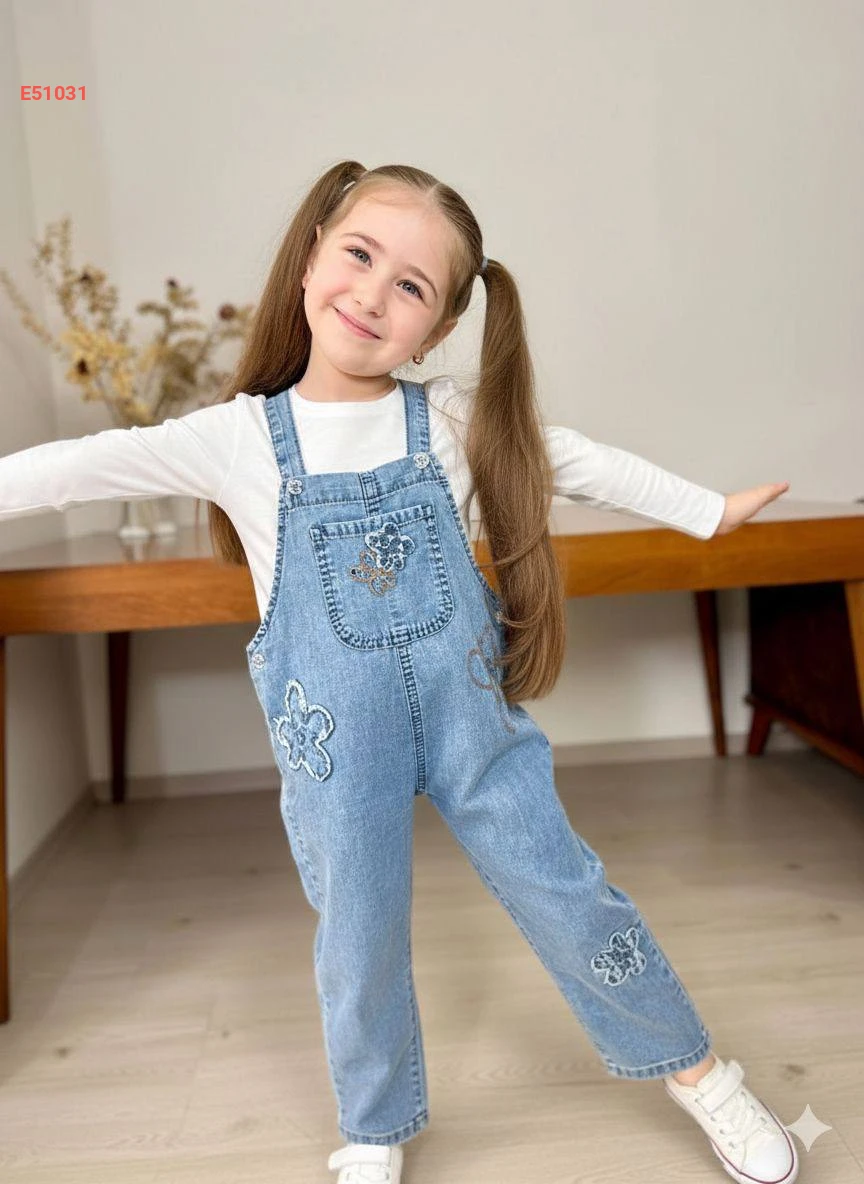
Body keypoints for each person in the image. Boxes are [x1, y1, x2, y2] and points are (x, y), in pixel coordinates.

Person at [0, 160, 797, 1184]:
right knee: (359, 938)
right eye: (359, 255)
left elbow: (575, 459)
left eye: (411, 285)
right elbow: (74, 469)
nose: (373, 294)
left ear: (439, 326)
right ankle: (374, 1127)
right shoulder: (238, 440)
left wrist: (707, 510)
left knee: (571, 895)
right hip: (338, 762)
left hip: (477, 734)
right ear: (310, 260)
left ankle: (698, 1071)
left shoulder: (451, 421)